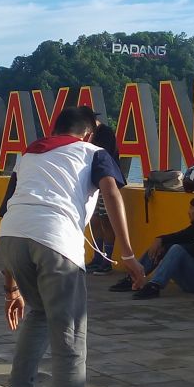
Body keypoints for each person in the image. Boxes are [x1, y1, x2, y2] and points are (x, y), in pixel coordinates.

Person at [0, 106, 145, 387]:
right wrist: (127, 254)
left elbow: (11, 212)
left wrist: (10, 288)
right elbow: (111, 192)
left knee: (39, 314)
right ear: (90, 132)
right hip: (56, 244)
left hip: (11, 239)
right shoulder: (94, 153)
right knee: (70, 347)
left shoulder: (29, 153)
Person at [111, 193, 194, 299]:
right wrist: (160, 240)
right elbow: (177, 236)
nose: (188, 211)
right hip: (189, 281)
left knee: (176, 249)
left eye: (192, 208)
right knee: (163, 246)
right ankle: (134, 277)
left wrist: (166, 248)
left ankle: (154, 286)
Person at [85, 114, 120, 274]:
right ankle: (97, 257)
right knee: (95, 219)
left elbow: (102, 156)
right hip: (94, 182)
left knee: (106, 220)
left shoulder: (105, 132)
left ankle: (107, 261)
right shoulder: (91, 134)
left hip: (107, 181)